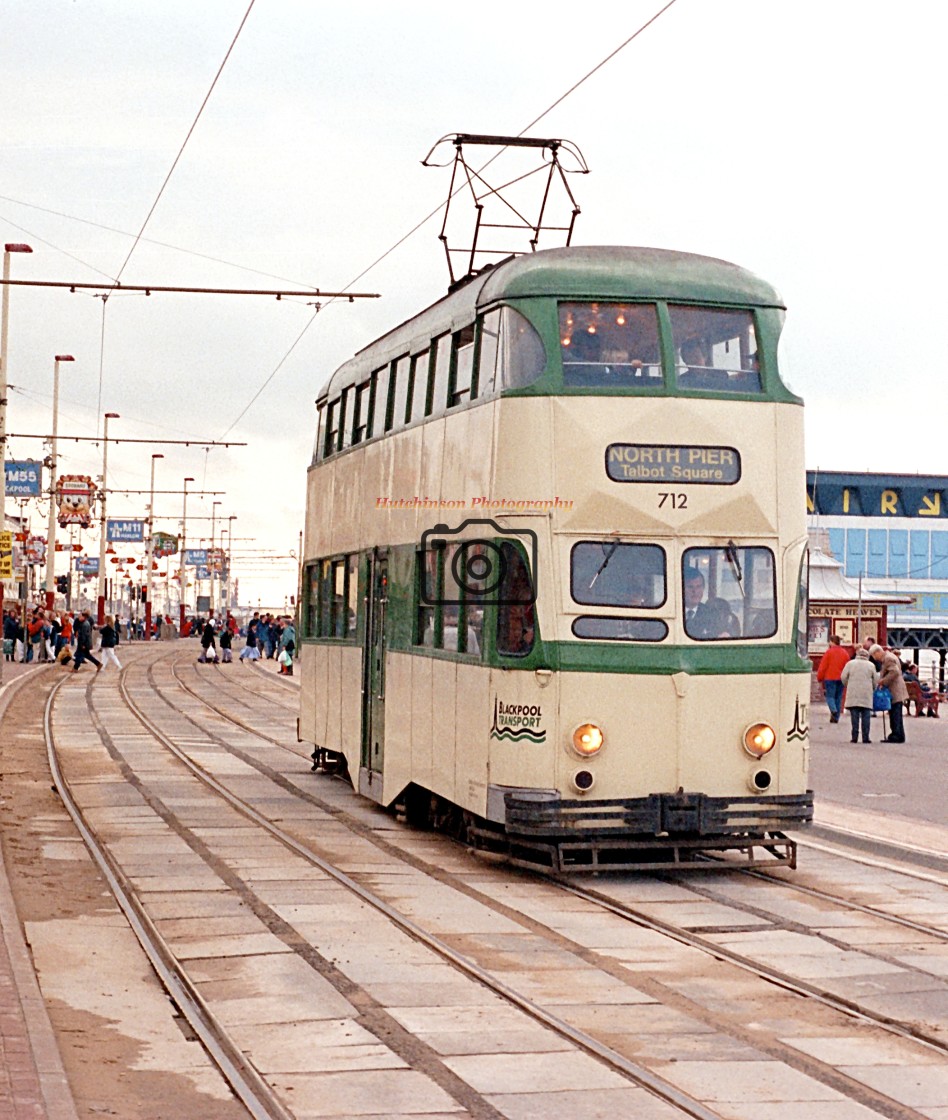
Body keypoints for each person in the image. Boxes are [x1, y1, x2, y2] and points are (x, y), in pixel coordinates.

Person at [840, 647, 879, 743]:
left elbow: (843, 677)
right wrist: (873, 688)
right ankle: (866, 737)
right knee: (866, 716)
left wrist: (847, 685)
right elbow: (875, 680)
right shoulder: (871, 665)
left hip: (853, 692)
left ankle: (854, 736)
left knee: (854, 716)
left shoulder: (850, 664)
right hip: (866, 693)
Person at [871, 644, 907, 743]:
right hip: (897, 688)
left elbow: (894, 672)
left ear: (877, 652)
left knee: (895, 713)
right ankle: (899, 734)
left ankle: (896, 735)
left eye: (874, 656)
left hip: (894, 689)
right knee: (896, 713)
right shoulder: (891, 656)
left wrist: (883, 681)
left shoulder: (888, 659)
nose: (875, 658)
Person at [816, 633, 851, 723]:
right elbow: (848, 666)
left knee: (830, 696)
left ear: (832, 642)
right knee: (838, 698)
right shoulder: (844, 653)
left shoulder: (829, 652)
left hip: (830, 678)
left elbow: (823, 666)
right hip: (841, 678)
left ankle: (833, 710)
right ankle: (836, 718)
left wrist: (819, 678)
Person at [683, 567, 717, 638]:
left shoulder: (712, 614)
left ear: (703, 588)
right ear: (682, 588)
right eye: (690, 587)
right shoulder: (673, 611)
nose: (695, 591)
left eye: (698, 587)